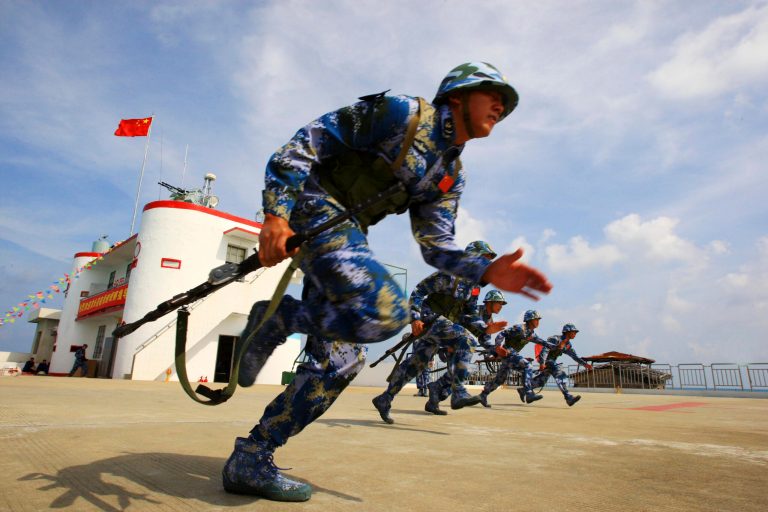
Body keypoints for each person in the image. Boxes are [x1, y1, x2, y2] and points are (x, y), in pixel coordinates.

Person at [222, 62, 552, 502]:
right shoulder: (402, 114)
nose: (501, 107)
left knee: (340, 365)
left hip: (347, 231)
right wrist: (275, 215)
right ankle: (283, 317)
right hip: (314, 206)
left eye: (506, 105)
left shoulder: (450, 175)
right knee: (387, 312)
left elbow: (435, 246)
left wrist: (487, 272)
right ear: (456, 95)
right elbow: (307, 143)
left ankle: (252, 456)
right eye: (493, 95)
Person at [372, 241, 508, 422]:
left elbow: (469, 313)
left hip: (442, 325)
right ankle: (458, 392)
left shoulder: (473, 287)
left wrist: (485, 327)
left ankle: (384, 399)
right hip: (429, 318)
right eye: (485, 259)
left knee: (416, 364)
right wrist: (415, 318)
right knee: (467, 340)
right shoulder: (449, 276)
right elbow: (419, 291)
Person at [423, 288, 508, 414]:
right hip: (452, 344)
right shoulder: (474, 310)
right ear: (489, 302)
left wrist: (496, 350)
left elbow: (484, 340)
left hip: (463, 350)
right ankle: (435, 390)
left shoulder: (489, 321)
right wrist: (446, 346)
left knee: (455, 377)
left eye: (502, 304)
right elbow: (454, 323)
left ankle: (433, 399)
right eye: (499, 302)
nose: (501, 306)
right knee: (458, 375)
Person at [478, 310, 546, 407]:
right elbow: (502, 334)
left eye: (538, 320)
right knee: (527, 366)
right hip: (508, 352)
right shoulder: (519, 328)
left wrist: (556, 346)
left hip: (510, 356)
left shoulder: (531, 334)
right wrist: (498, 347)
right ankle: (529, 393)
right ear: (529, 320)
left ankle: (483, 395)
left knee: (500, 380)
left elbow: (544, 343)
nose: (538, 321)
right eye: (536, 319)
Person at [532, 323, 592, 406]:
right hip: (546, 360)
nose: (575, 334)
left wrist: (585, 365)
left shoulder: (568, 345)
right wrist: (542, 363)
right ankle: (568, 397)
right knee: (560, 372)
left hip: (551, 362)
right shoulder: (555, 339)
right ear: (567, 332)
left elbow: (574, 356)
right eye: (574, 332)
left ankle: (524, 389)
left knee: (541, 381)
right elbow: (545, 350)